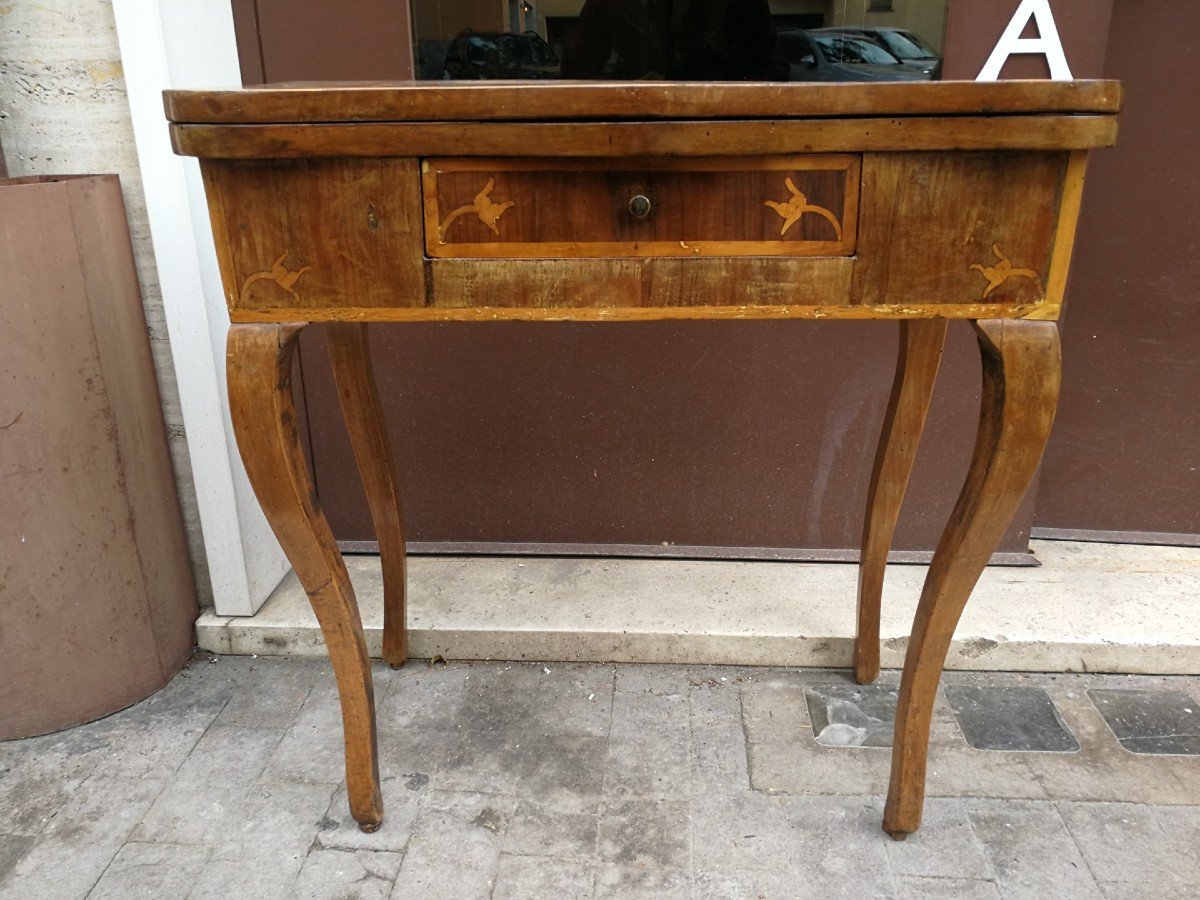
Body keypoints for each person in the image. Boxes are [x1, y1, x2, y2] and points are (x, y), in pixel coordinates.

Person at [561, 0, 788, 81]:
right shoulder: (619, 4)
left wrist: (724, 99)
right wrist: (631, 92)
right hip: (634, 135)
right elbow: (577, 69)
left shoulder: (743, 6)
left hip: (725, 138)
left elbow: (775, 72)